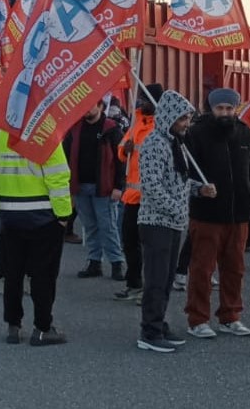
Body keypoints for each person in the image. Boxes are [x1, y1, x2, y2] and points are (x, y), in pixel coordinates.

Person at [182, 88, 250, 340]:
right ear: (211, 108)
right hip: (207, 215)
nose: (225, 113)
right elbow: (186, 173)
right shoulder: (196, 134)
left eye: (229, 108)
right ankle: (197, 319)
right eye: (220, 108)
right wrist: (199, 190)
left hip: (238, 215)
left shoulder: (245, 132)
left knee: (235, 269)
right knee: (202, 270)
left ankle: (230, 316)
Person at [0, 118, 71, 346]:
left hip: (10, 215)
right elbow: (58, 176)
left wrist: (2, 210)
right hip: (43, 216)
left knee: (13, 275)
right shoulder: (46, 133)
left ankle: (13, 326)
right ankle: (43, 328)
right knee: (43, 275)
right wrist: (63, 215)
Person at [136, 89, 200, 353]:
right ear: (170, 117)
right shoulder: (154, 143)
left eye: (188, 118)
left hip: (172, 222)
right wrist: (177, 210)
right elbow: (151, 185)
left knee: (166, 278)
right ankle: (149, 332)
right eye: (183, 118)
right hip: (156, 223)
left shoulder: (175, 143)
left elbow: (178, 180)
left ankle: (159, 323)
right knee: (155, 278)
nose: (186, 123)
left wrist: (198, 189)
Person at [63, 99, 126, 280]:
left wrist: (118, 186)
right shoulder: (74, 129)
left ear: (100, 107)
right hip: (81, 186)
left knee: (108, 227)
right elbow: (66, 156)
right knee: (90, 226)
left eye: (89, 106)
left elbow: (121, 160)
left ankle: (116, 262)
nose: (86, 110)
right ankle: (94, 262)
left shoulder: (111, 129)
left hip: (105, 187)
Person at [113, 83, 163, 302]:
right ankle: (134, 284)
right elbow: (121, 153)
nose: (143, 103)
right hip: (132, 198)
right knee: (130, 243)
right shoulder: (136, 124)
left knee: (152, 249)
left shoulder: (162, 127)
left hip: (152, 199)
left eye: (147, 99)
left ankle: (150, 290)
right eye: (142, 99)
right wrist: (126, 148)